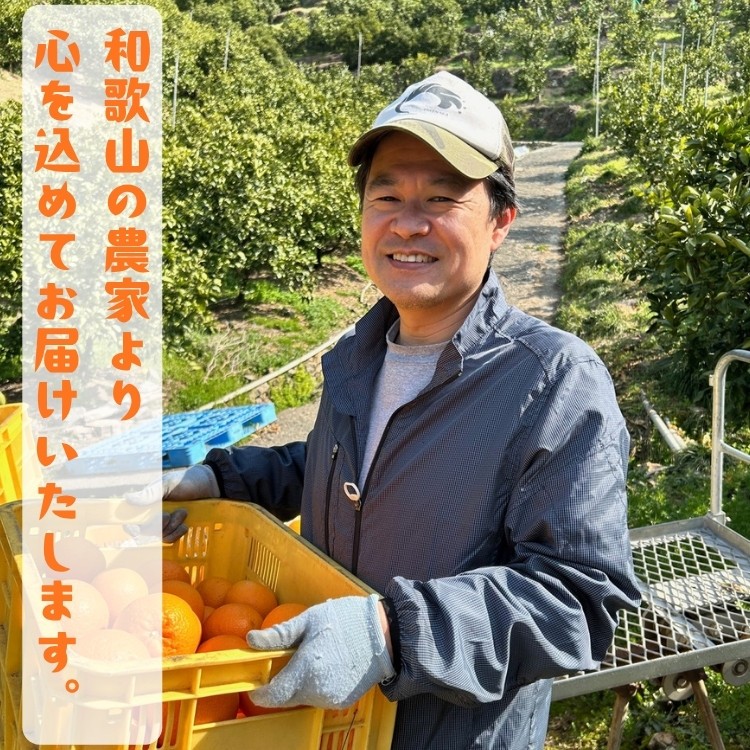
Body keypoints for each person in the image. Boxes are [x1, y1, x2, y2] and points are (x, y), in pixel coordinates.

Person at [139, 71, 641, 749]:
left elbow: (577, 597)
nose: (408, 222)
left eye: (441, 197)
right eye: (387, 196)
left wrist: (392, 632)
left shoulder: (554, 382)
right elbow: (342, 465)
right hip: (325, 725)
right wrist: (218, 480)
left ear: (500, 222)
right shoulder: (360, 355)